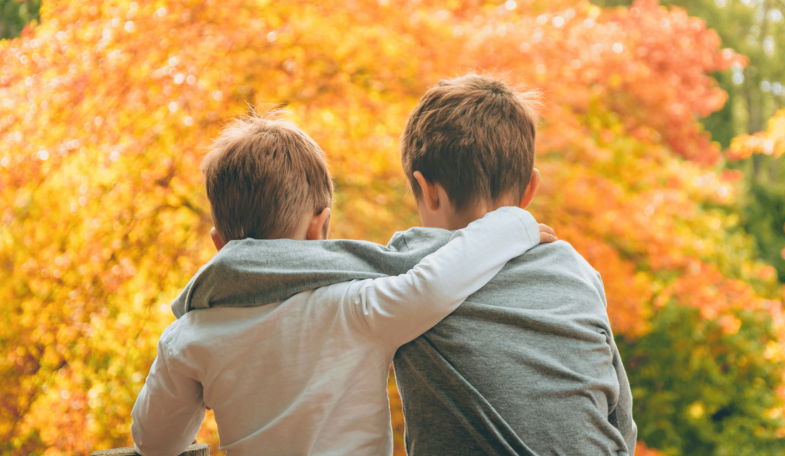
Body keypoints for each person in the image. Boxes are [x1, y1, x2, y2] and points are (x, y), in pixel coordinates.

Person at [175, 74, 637, 455]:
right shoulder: (576, 269)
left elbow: (294, 260)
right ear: (530, 189)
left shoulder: (411, 263)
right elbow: (621, 416)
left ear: (427, 189)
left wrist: (208, 289)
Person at [130, 113, 555, 456]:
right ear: (319, 228)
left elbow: (154, 443)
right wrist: (514, 225)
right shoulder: (353, 308)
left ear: (219, 244)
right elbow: (436, 284)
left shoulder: (188, 336)